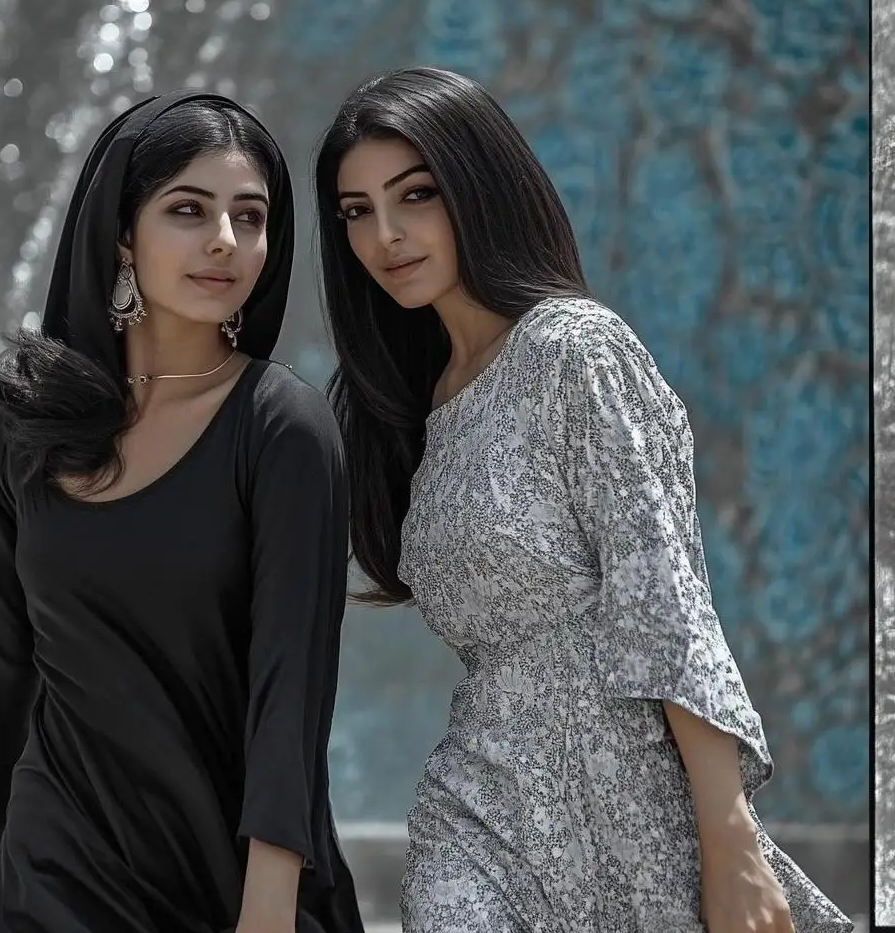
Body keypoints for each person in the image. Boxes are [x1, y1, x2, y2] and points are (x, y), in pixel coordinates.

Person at [316, 66, 850, 933]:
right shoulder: (413, 404)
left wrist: (731, 839)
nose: (386, 235)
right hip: (479, 807)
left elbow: (665, 599)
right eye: (357, 211)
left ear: (478, 189)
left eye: (415, 195)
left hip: (631, 794)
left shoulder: (576, 349)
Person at [0, 95, 363, 933]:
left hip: (227, 875)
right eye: (188, 211)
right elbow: (2, 659)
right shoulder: (14, 411)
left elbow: (292, 700)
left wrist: (269, 910)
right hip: (57, 863)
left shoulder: (284, 429)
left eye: (252, 217)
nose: (226, 243)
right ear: (123, 232)